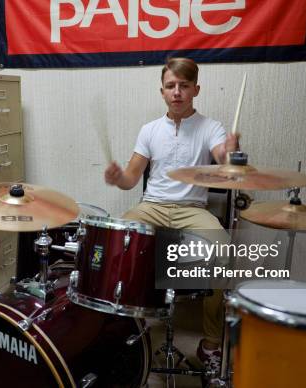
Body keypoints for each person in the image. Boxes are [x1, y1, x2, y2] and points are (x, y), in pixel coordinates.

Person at [104, 57, 239, 376]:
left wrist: (232, 152)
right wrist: (117, 177)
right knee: (117, 236)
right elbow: (131, 178)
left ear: (195, 89)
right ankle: (122, 327)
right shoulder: (149, 130)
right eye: (170, 86)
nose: (177, 92)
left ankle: (209, 344)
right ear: (162, 91)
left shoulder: (210, 127)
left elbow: (224, 158)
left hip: (192, 210)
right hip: (153, 205)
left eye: (183, 85)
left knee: (222, 247)